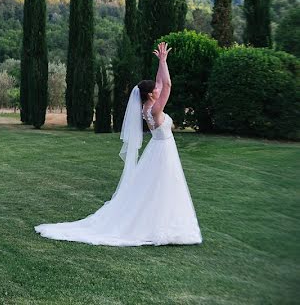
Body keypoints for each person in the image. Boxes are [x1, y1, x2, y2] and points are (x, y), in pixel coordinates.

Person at [35, 42, 202, 246]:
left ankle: (163, 224)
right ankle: (161, 226)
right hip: (163, 151)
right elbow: (167, 86)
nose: (158, 89)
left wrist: (161, 61)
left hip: (159, 149)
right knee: (163, 186)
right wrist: (164, 61)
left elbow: (161, 82)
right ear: (151, 94)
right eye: (154, 89)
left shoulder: (147, 108)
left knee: (157, 189)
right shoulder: (155, 111)